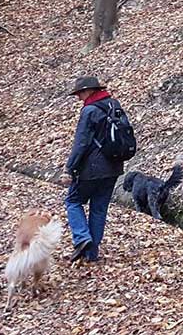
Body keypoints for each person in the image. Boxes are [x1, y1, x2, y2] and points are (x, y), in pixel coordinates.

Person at [63, 76, 125, 263]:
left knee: (73, 201)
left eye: (80, 93)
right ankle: (92, 254)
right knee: (99, 209)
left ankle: (82, 238)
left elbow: (81, 143)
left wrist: (69, 168)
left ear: (90, 90)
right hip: (114, 167)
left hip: (91, 169)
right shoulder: (114, 105)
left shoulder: (89, 111)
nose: (79, 97)